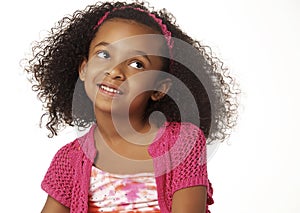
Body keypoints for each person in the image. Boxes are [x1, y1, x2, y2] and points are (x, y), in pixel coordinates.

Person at [25, 1, 239, 212]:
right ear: (83, 68)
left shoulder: (183, 144)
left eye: (137, 64)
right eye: (104, 55)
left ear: (159, 87)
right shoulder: (68, 160)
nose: (115, 71)